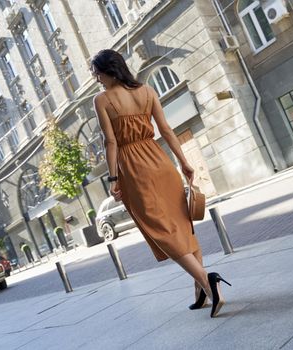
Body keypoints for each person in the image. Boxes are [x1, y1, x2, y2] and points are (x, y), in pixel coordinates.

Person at [91, 49, 230, 318]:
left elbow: (111, 142)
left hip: (133, 167)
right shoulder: (148, 91)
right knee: (181, 225)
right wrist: (184, 162)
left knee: (161, 231)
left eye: (97, 73)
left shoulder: (102, 100)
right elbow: (166, 130)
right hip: (160, 160)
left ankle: (208, 282)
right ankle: (199, 290)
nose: (96, 78)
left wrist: (113, 178)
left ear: (109, 70)